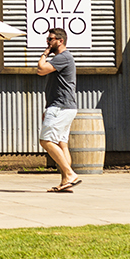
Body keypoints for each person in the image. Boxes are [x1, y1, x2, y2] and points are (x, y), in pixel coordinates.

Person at [37, 27, 81, 192]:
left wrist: (44, 54)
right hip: (63, 107)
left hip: (60, 107)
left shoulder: (63, 57)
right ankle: (65, 182)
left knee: (46, 141)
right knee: (62, 144)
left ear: (60, 41)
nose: (47, 42)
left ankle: (70, 174)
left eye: (50, 39)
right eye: (47, 39)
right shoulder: (64, 58)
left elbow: (41, 70)